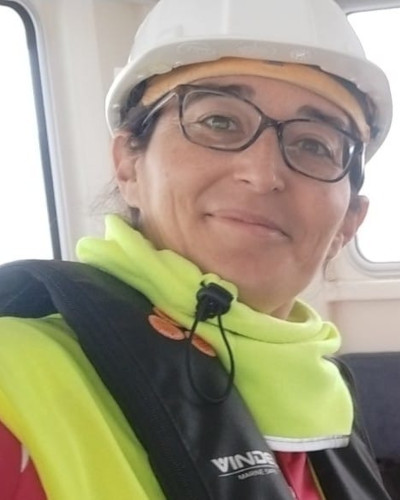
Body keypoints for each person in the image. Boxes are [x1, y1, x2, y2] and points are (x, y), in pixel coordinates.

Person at [0, 0, 394, 498]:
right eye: (219, 122)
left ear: (349, 222)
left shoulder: (326, 395)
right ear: (128, 165)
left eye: (314, 145)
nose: (262, 174)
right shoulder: (12, 380)